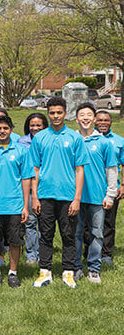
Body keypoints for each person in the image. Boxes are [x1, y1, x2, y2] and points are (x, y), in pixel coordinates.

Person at [30, 96, 89, 288]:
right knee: (45, 235)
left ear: (65, 113)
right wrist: (35, 197)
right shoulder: (39, 138)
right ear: (49, 114)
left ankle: (68, 272)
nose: (56, 116)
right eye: (52, 113)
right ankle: (45, 272)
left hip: (68, 196)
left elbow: (79, 170)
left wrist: (77, 199)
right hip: (45, 196)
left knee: (68, 235)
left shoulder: (74, 138)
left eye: (59, 112)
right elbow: (35, 170)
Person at [0, 115, 33, 287]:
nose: (2, 131)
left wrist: (25, 206)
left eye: (6, 128)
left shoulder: (21, 150)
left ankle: (13, 273)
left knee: (15, 241)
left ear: (11, 129)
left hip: (15, 205)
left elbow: (26, 179)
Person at [74, 103, 117, 284]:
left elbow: (111, 169)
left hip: (97, 197)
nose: (85, 118)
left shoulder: (104, 143)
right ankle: (75, 267)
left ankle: (93, 268)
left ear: (94, 119)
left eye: (88, 115)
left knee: (97, 233)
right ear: (76, 119)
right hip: (74, 198)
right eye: (81, 115)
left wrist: (110, 195)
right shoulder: (72, 140)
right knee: (75, 234)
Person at [18, 112, 48, 266]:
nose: (35, 128)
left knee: (44, 223)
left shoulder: (48, 140)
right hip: (28, 187)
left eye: (38, 125)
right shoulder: (21, 142)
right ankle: (31, 254)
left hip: (45, 187)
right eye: (32, 125)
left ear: (44, 126)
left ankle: (44, 253)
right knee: (30, 222)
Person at [96, 110, 123, 266]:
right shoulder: (87, 139)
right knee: (88, 223)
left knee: (108, 222)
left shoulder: (119, 141)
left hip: (112, 188)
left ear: (111, 122)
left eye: (106, 120)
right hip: (92, 188)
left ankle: (106, 254)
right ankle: (89, 252)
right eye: (100, 120)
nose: (103, 123)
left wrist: (123, 185)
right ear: (94, 121)